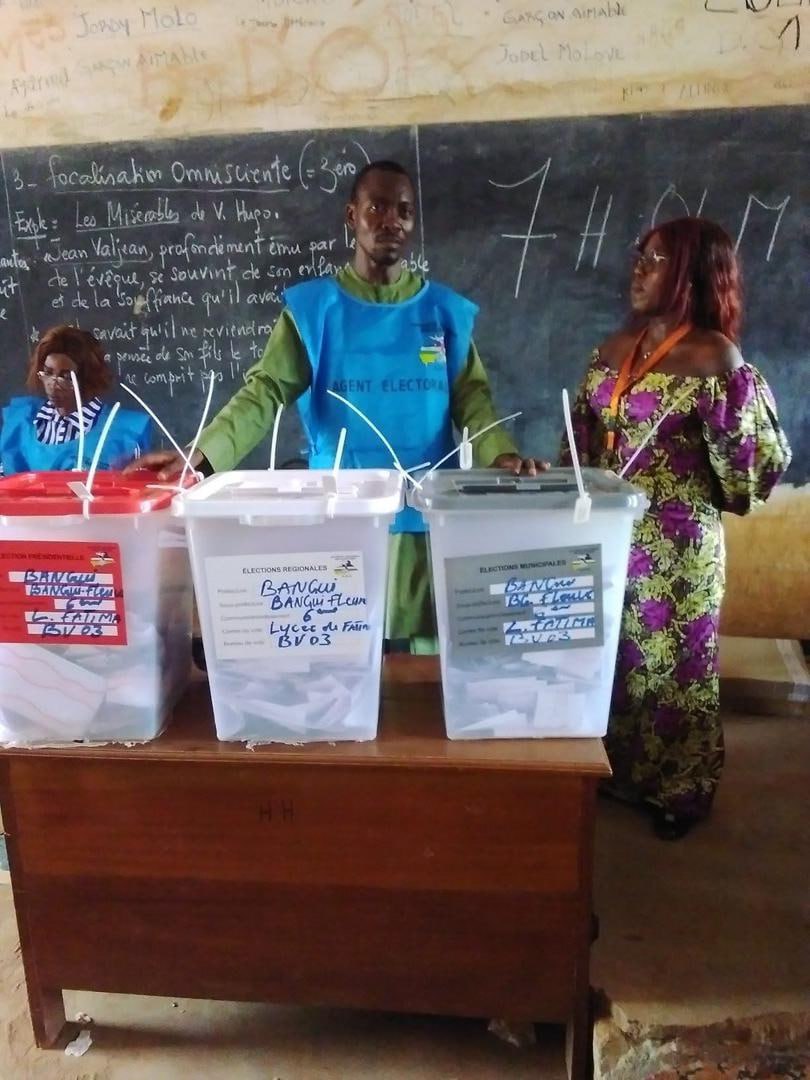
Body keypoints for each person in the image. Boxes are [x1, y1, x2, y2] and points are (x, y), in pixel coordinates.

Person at [133, 160, 546, 651]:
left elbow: (474, 399)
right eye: (378, 208)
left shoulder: (442, 312)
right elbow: (264, 392)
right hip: (341, 519)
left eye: (404, 211)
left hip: (426, 518)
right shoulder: (315, 312)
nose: (391, 221)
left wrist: (501, 454)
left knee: (425, 664)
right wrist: (201, 456)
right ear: (352, 216)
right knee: (345, 659)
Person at [561, 217, 791, 840]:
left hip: (677, 548)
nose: (638, 268)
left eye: (657, 259)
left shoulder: (717, 358)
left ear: (693, 273)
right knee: (609, 659)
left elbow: (747, 473)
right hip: (606, 537)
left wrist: (727, 430)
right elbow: (579, 443)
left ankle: (678, 792)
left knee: (673, 669)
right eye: (639, 255)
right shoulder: (615, 348)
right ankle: (611, 772)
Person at [0, 324, 151, 476]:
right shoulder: (21, 422)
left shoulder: (125, 432)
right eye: (48, 373)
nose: (53, 384)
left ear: (88, 378)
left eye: (66, 376)